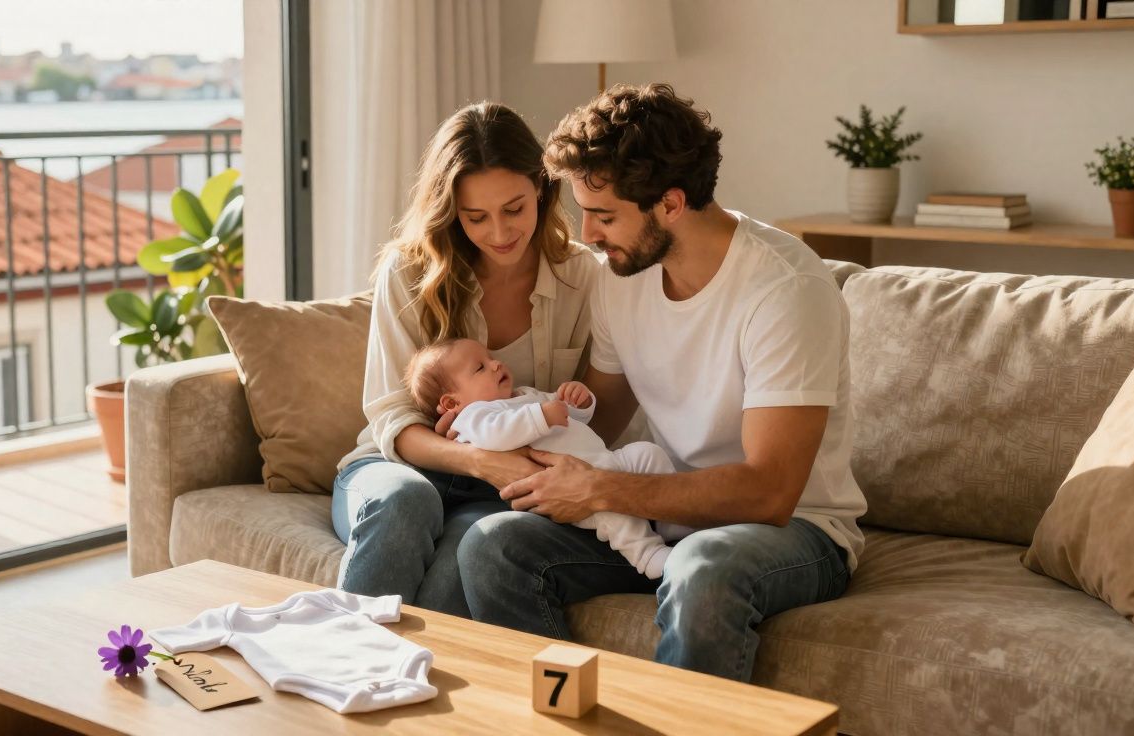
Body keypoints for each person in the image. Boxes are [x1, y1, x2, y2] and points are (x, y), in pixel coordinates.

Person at [456, 83, 868, 682]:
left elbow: (770, 493)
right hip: (663, 511)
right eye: (583, 213)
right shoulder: (622, 277)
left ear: (670, 204)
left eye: (604, 216)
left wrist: (600, 490)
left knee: (702, 566)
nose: (588, 236)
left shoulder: (785, 290)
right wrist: (497, 435)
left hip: (796, 531)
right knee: (493, 546)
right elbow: (599, 420)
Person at [331, 102, 602, 617]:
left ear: (543, 191)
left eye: (515, 209)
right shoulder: (408, 273)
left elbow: (593, 404)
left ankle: (418, 691)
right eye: (475, 217)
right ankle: (339, 671)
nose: (499, 233)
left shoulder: (581, 277)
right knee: (405, 503)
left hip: (498, 491)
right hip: (398, 466)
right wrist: (480, 459)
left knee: (472, 550)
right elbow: (392, 418)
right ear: (450, 209)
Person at [403, 337, 674, 578]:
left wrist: (578, 402)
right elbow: (497, 435)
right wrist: (541, 416)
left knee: (649, 454)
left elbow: (565, 412)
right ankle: (646, 554)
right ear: (452, 403)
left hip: (604, 460)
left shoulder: (524, 394)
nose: (496, 365)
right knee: (610, 513)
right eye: (480, 368)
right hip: (569, 489)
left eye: (491, 358)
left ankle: (676, 527)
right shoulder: (472, 419)